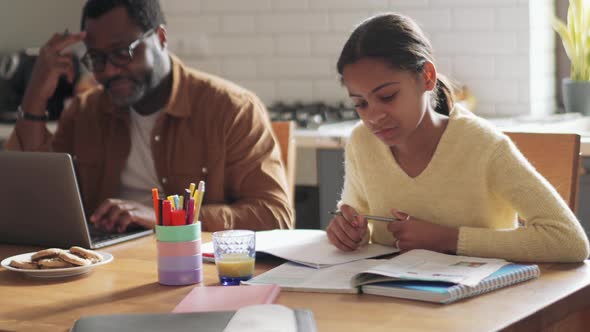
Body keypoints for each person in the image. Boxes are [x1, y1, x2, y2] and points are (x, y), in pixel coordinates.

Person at [5, 0, 293, 233]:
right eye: (97, 59)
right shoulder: (85, 112)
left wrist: (167, 216)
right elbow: (31, 204)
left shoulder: (231, 109)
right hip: (105, 271)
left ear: (161, 37)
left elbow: (275, 215)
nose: (109, 71)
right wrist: (35, 95)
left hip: (196, 272)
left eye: (122, 52)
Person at [326, 13, 589, 262]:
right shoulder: (362, 142)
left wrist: (449, 239)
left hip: (488, 304)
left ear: (427, 77)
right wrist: (350, 232)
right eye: (360, 103)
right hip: (391, 301)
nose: (374, 116)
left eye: (387, 97)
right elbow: (356, 217)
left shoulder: (483, 146)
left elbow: (569, 240)